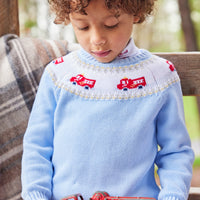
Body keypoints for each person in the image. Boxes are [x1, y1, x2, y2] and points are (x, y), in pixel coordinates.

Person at [21, 0, 194, 200]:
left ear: (135, 13)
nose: (97, 39)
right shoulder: (58, 74)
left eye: (111, 24)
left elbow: (175, 151)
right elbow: (37, 147)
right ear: (69, 18)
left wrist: (172, 196)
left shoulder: (160, 75)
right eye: (82, 26)